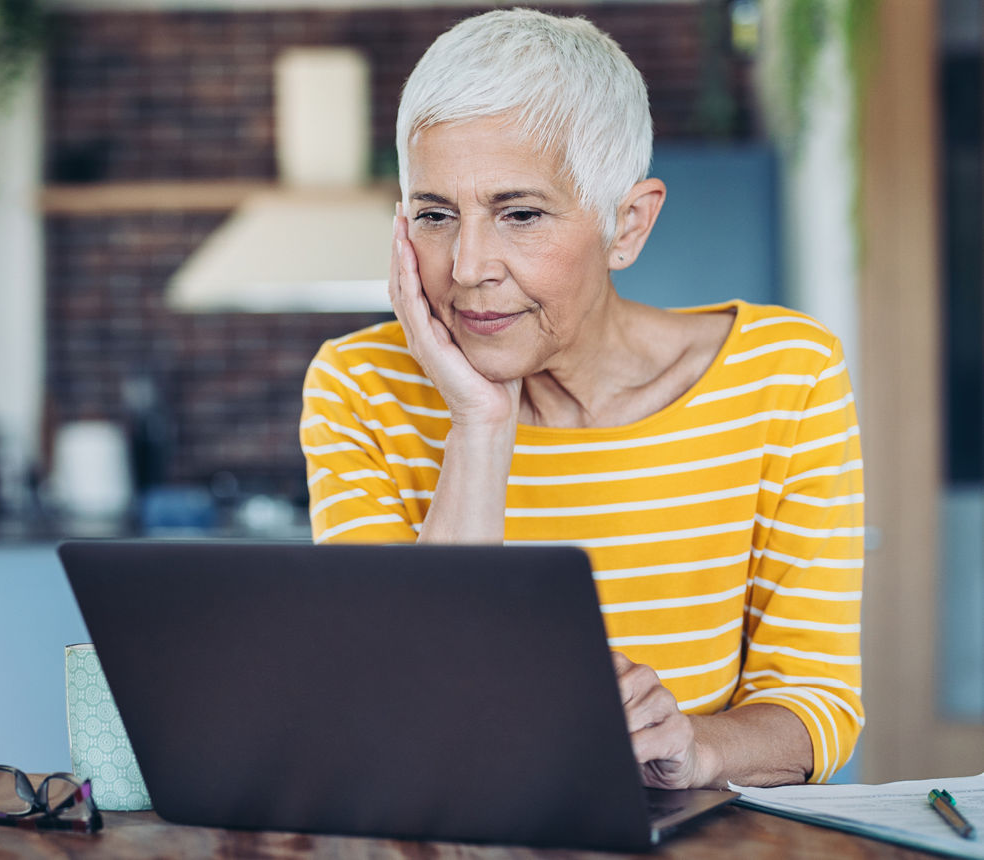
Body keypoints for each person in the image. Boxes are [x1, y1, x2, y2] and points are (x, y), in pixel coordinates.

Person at [300, 8, 862, 790]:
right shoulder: (360, 387)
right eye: (434, 215)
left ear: (626, 225)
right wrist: (480, 421)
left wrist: (695, 745)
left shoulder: (784, 373)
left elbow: (817, 702)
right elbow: (395, 711)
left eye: (520, 214)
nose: (467, 267)